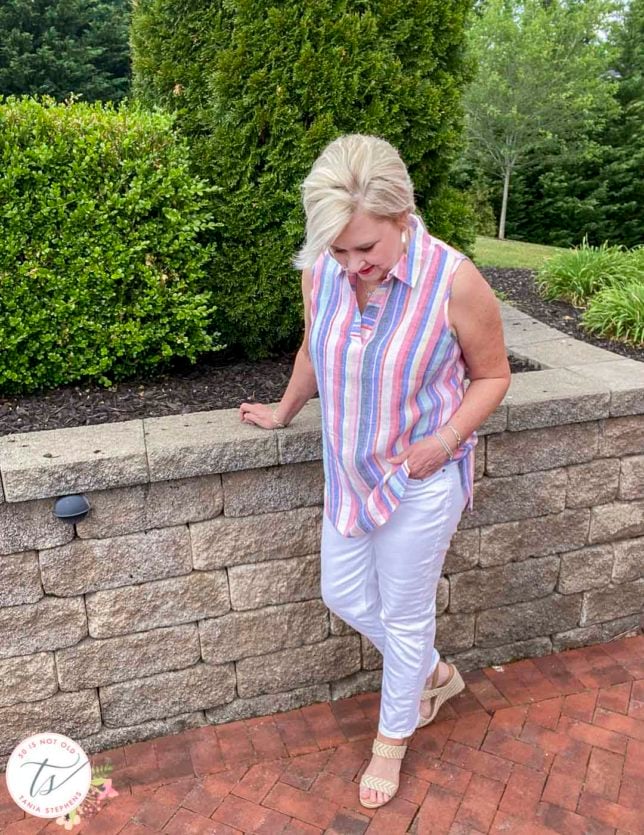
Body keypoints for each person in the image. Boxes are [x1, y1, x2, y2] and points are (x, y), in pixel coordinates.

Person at [239, 134, 510, 809]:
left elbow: (494, 375)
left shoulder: (455, 281)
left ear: (402, 216)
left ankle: (391, 741)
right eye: (338, 249)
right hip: (349, 478)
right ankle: (436, 673)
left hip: (420, 479)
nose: (352, 263)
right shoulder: (321, 270)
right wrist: (283, 410)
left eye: (366, 248)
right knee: (342, 593)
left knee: (406, 612)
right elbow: (313, 347)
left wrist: (444, 439)